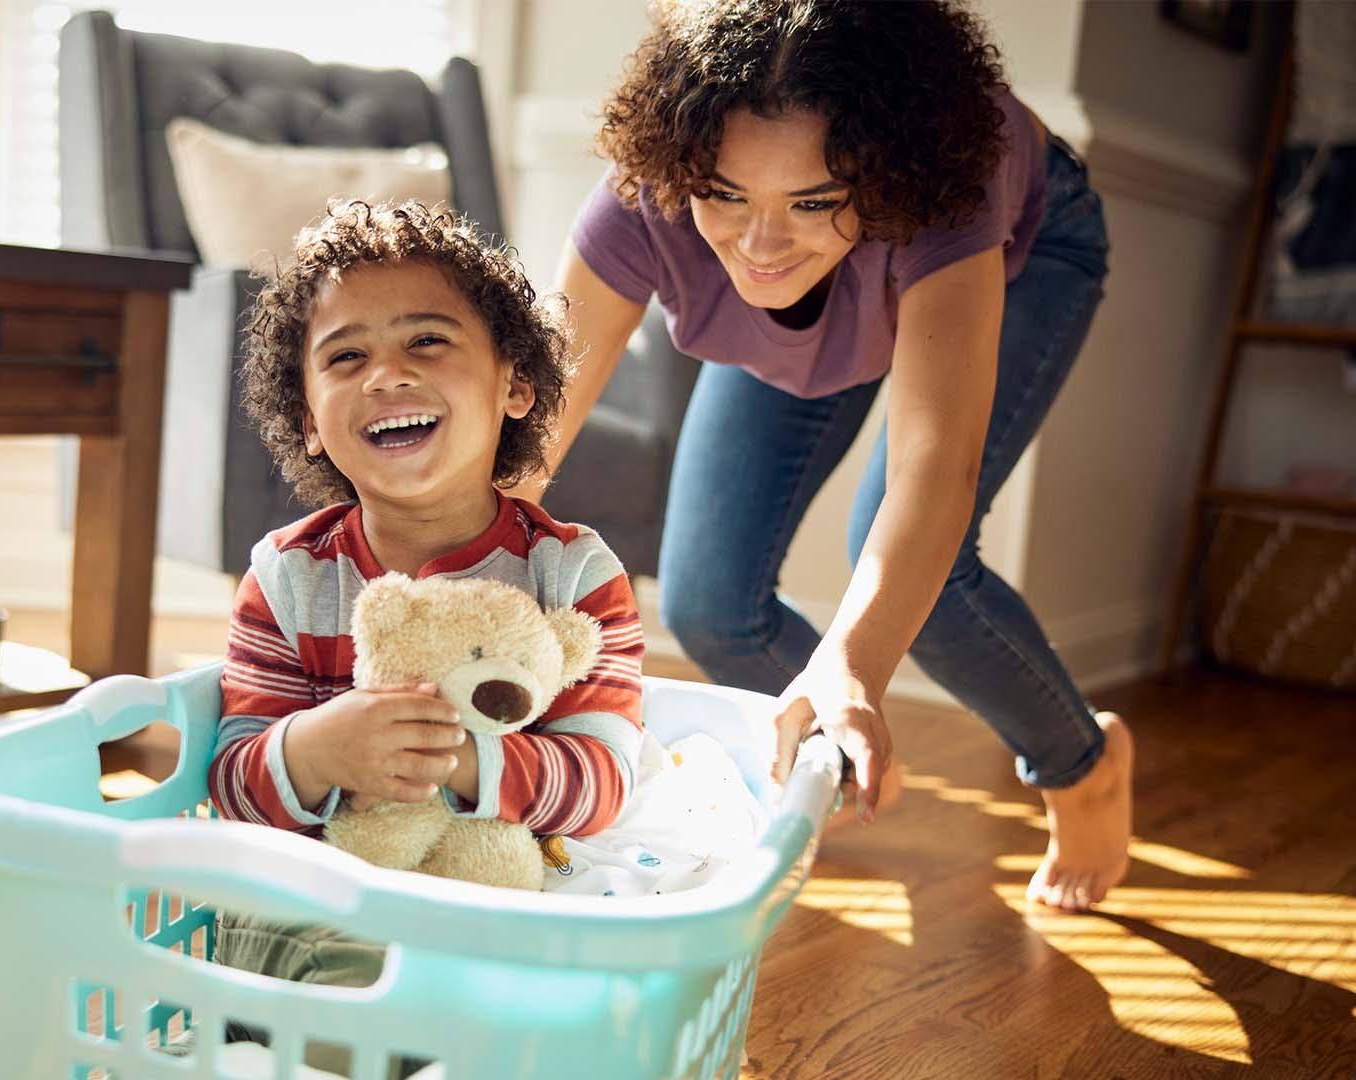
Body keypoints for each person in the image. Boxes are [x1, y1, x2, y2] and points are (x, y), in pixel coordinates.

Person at [533, 0, 1133, 912]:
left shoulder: (942, 192)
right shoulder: (645, 196)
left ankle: (1083, 764)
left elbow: (936, 469)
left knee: (923, 593)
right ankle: (838, 740)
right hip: (860, 258)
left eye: (810, 201)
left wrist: (855, 657)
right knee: (710, 605)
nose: (761, 245)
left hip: (1020, 251)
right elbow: (525, 437)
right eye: (726, 195)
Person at [200, 201, 646, 1066]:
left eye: (427, 342)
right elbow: (232, 783)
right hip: (324, 898)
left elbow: (605, 782)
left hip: (495, 902)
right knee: (317, 971)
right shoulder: (288, 578)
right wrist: (315, 753)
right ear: (305, 415)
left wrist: (467, 763)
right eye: (346, 357)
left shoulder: (573, 574)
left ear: (515, 383)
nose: (386, 376)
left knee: (574, 989)